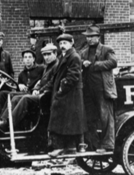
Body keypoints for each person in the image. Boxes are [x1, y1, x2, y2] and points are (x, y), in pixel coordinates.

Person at [0, 43, 59, 131]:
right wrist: (35, 87)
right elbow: (42, 82)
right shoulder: (46, 67)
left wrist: (38, 89)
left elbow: (51, 83)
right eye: (45, 55)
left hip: (45, 97)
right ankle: (2, 120)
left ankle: (8, 124)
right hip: (38, 93)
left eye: (49, 54)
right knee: (10, 96)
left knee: (23, 98)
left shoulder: (53, 67)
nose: (46, 57)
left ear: (55, 54)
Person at [79, 25, 117, 153]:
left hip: (102, 89)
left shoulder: (107, 49)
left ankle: (107, 145)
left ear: (98, 37)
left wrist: (95, 65)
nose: (89, 39)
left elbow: (113, 62)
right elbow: (78, 63)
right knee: (90, 117)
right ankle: (93, 145)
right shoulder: (83, 52)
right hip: (88, 90)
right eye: (87, 37)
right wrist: (82, 63)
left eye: (91, 36)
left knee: (105, 116)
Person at [48, 33, 87, 157]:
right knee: (68, 122)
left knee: (60, 118)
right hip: (68, 94)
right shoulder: (64, 56)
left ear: (72, 43)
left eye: (65, 43)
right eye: (60, 43)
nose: (62, 46)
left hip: (70, 94)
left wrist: (61, 89)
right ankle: (68, 147)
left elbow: (73, 75)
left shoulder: (74, 56)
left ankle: (59, 147)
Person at [0, 49, 44, 114]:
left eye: (30, 57)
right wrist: (19, 85)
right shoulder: (22, 74)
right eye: (25, 57)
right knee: (2, 94)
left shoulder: (41, 69)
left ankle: (5, 119)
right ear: (23, 60)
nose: (27, 59)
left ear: (33, 59)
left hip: (33, 94)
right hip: (24, 93)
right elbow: (18, 89)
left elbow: (45, 80)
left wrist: (37, 87)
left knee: (11, 95)